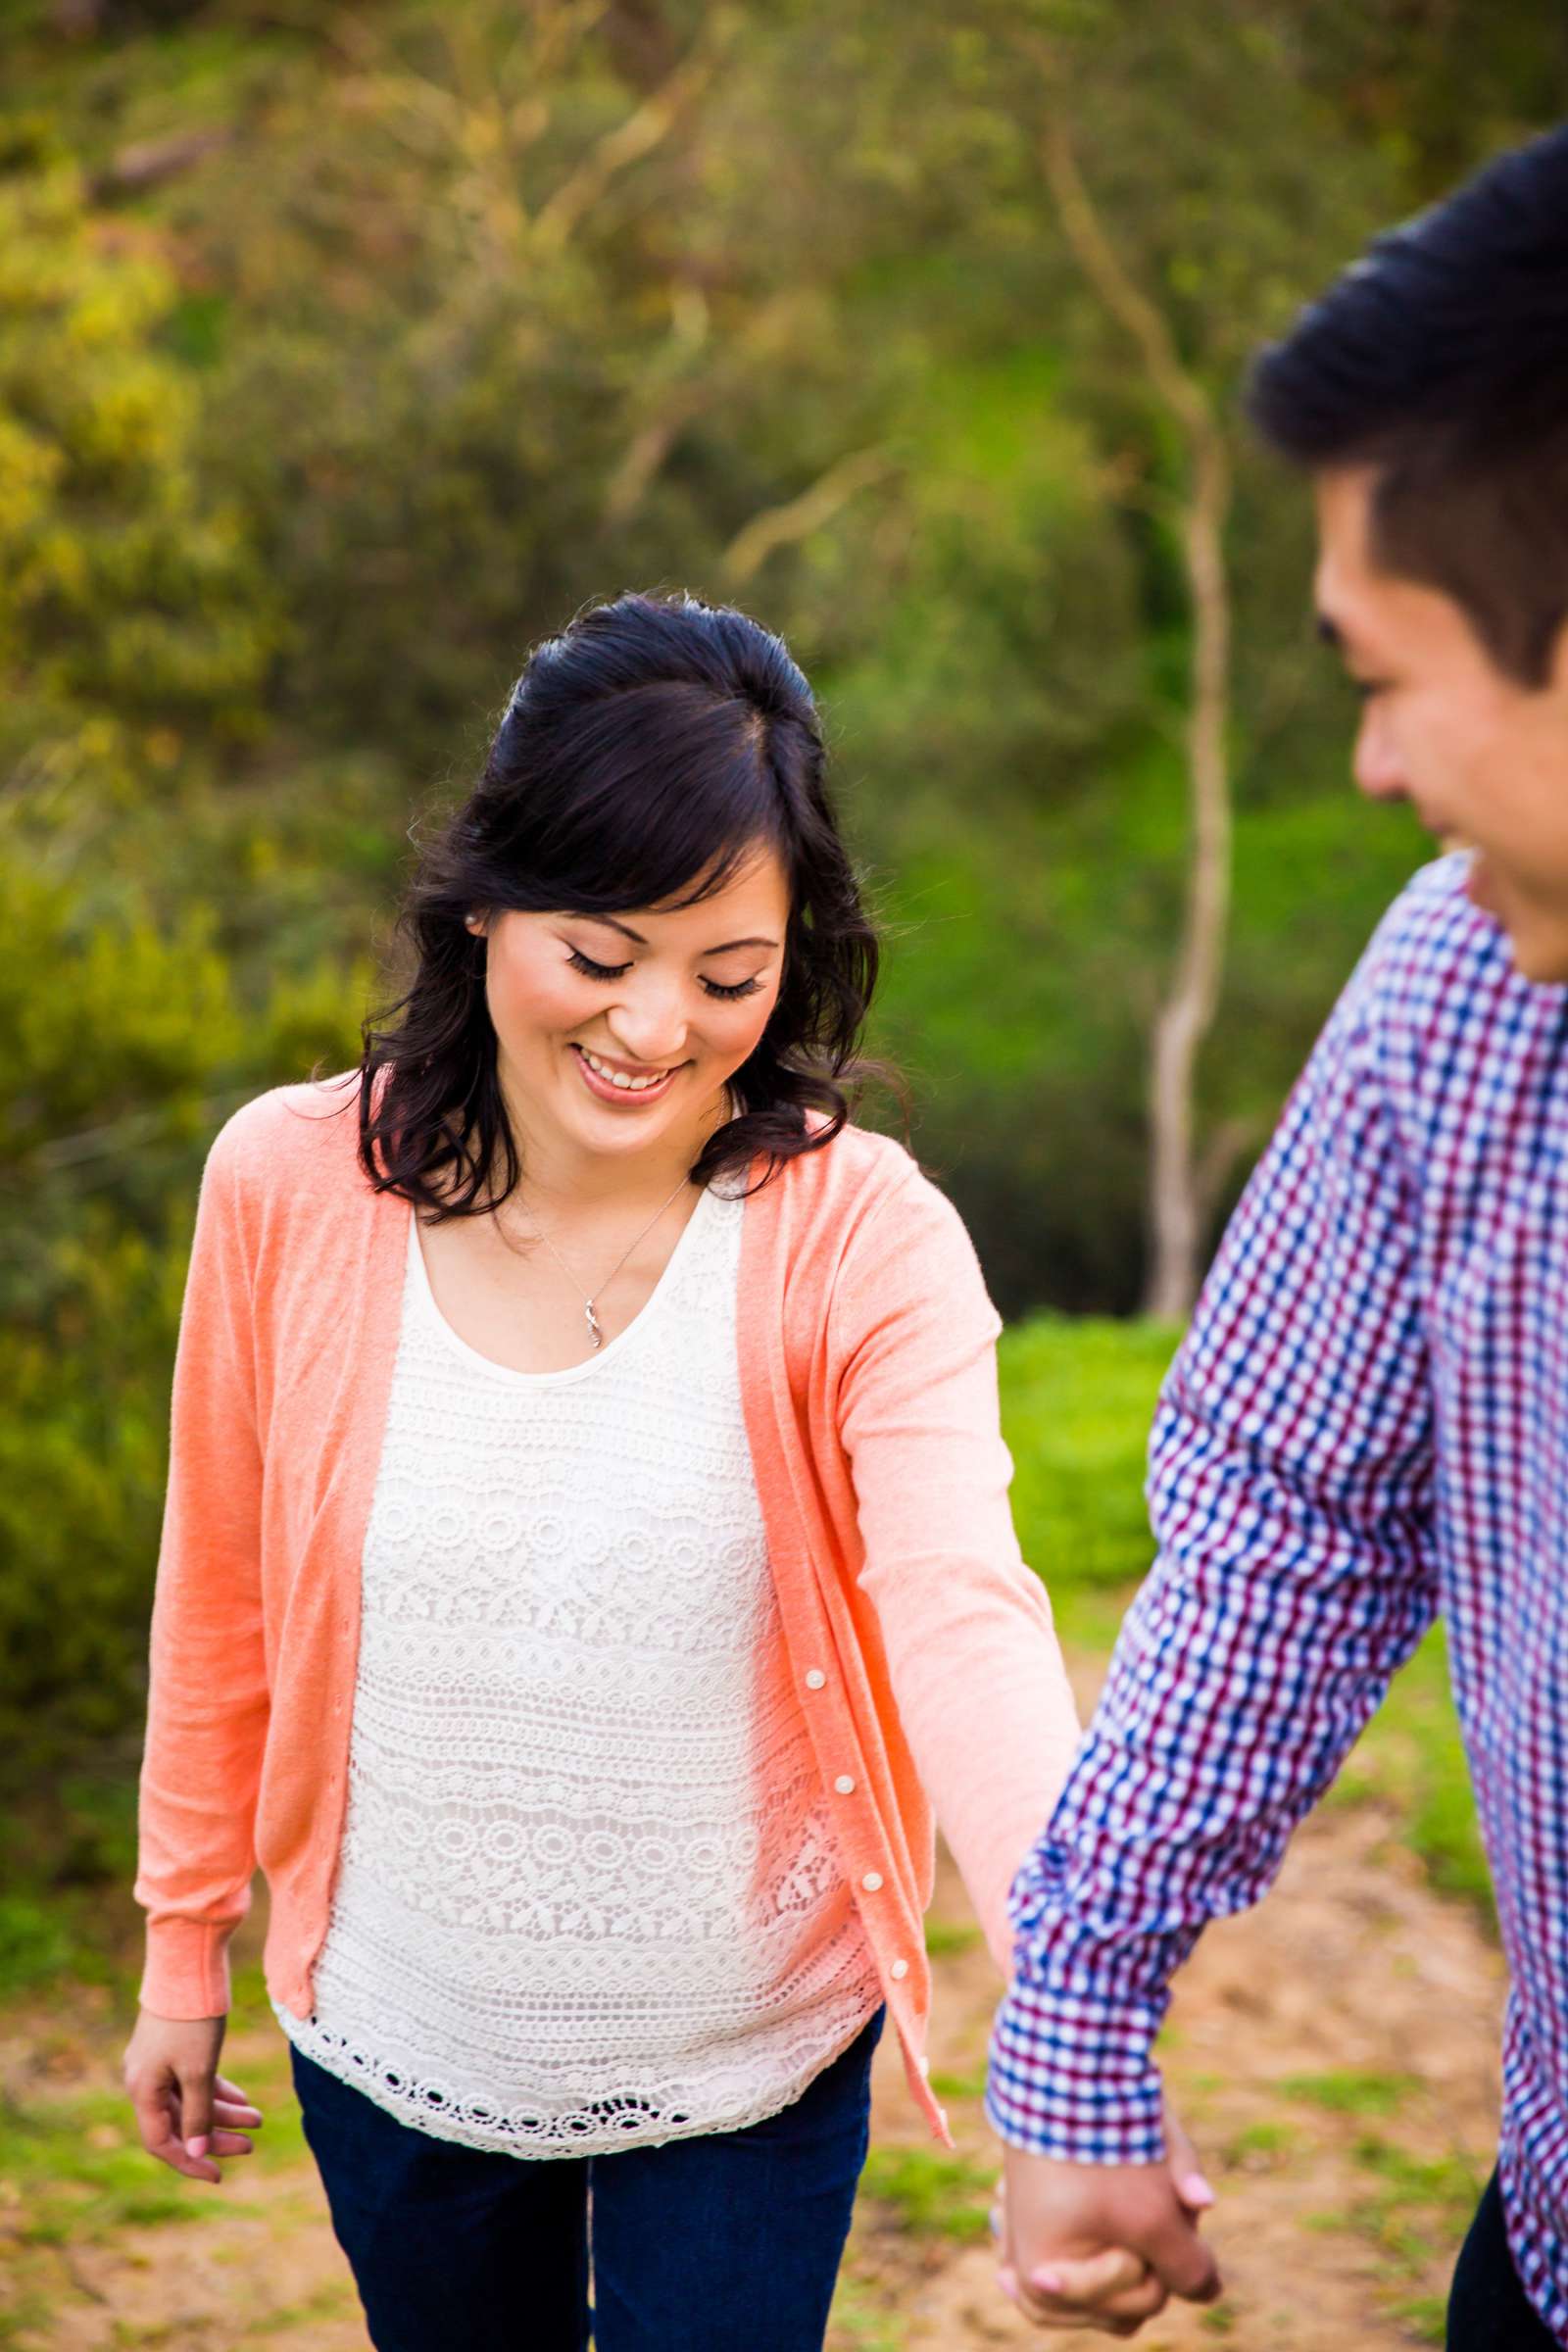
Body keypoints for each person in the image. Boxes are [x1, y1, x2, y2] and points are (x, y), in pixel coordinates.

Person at [122, 591, 1175, 2350]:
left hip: (754, 2064)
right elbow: (217, 1582)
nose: (654, 1030)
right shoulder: (287, 1188)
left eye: (728, 976)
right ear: (484, 905)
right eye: (599, 955)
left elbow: (967, 1614)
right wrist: (180, 1952)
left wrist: (1076, 2018)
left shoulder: (863, 1240)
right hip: (398, 2043)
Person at [987, 123, 1568, 2348]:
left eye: (1381, 672)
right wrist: (1077, 2016)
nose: (1365, 764)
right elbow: (1286, 1521)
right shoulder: (1455, 1001)